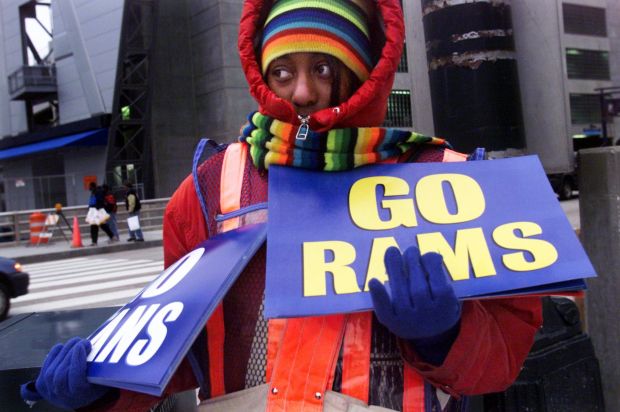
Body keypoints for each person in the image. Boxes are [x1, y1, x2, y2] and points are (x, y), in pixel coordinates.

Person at [21, 1, 542, 411]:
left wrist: (446, 336)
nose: (304, 91)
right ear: (261, 75)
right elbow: (179, 351)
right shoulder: (209, 187)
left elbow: (503, 358)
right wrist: (103, 387)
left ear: (362, 71)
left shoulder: (449, 178)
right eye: (282, 72)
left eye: (323, 66)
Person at [86, 182, 115, 246]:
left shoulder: (96, 192)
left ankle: (94, 241)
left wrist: (93, 207)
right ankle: (112, 236)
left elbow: (98, 201)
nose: (89, 188)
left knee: (94, 226)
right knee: (102, 225)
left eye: (89, 186)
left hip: (96, 211)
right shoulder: (95, 192)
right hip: (96, 211)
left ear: (92, 186)